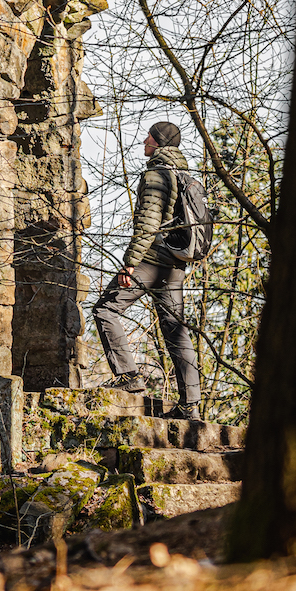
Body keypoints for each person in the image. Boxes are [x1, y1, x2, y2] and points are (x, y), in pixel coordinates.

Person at [91, 120, 203, 420]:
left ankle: (129, 377)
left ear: (157, 143)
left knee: (105, 309)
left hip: (151, 261)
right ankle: (190, 405)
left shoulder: (157, 175)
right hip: (175, 265)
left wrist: (130, 262)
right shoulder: (183, 175)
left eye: (148, 137)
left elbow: (148, 223)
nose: (144, 141)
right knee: (176, 331)